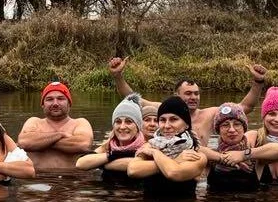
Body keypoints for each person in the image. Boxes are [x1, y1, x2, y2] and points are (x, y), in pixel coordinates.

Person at [108, 57, 267, 146]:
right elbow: (133, 98)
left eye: (196, 94)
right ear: (176, 95)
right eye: (188, 94)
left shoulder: (209, 114)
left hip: (198, 168)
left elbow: (245, 107)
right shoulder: (164, 111)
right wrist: (118, 76)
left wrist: (258, 82)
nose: (193, 97)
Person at [127, 96, 208, 197]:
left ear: (187, 124)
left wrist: (155, 153)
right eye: (162, 120)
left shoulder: (197, 156)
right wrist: (176, 160)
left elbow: (174, 173)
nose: (167, 126)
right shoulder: (151, 144)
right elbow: (132, 170)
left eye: (173, 119)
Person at [18, 81, 94, 172]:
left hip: (72, 178)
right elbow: (24, 142)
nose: (55, 103)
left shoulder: (80, 123)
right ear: (42, 104)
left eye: (60, 99)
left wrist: (40, 143)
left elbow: (83, 145)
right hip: (37, 178)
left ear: (69, 103)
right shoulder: (34, 122)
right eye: (49, 99)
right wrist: (60, 135)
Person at [76, 96, 145, 183]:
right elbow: (80, 164)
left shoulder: (146, 147)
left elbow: (135, 166)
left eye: (129, 121)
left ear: (138, 127)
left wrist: (101, 163)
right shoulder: (108, 146)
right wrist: (113, 155)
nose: (122, 127)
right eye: (118, 122)